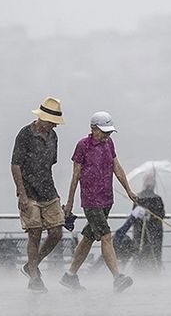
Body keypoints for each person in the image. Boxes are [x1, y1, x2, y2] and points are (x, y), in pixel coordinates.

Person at [60, 111, 139, 293]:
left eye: (109, 132)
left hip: (106, 199)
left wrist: (128, 190)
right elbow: (75, 176)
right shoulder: (83, 146)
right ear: (93, 128)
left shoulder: (109, 143)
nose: (106, 135)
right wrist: (70, 203)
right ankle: (118, 278)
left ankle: (70, 276)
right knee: (106, 235)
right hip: (91, 200)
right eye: (104, 132)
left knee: (88, 237)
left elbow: (116, 167)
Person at [10, 97, 66, 293]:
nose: (54, 126)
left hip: (49, 191)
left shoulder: (53, 137)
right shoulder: (25, 134)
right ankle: (34, 276)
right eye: (52, 122)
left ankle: (32, 264)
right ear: (42, 118)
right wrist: (22, 194)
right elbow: (15, 165)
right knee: (34, 233)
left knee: (57, 232)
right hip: (29, 193)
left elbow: (49, 165)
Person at [88, 206, 148, 273]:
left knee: (104, 258)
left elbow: (125, 227)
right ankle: (93, 270)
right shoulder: (129, 248)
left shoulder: (117, 242)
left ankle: (91, 271)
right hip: (123, 249)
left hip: (119, 247)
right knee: (111, 258)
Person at [132, 173, 166, 273]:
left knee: (140, 250)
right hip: (155, 231)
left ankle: (139, 271)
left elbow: (134, 215)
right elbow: (161, 215)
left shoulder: (138, 197)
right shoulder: (157, 199)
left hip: (139, 231)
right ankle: (155, 271)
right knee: (155, 252)